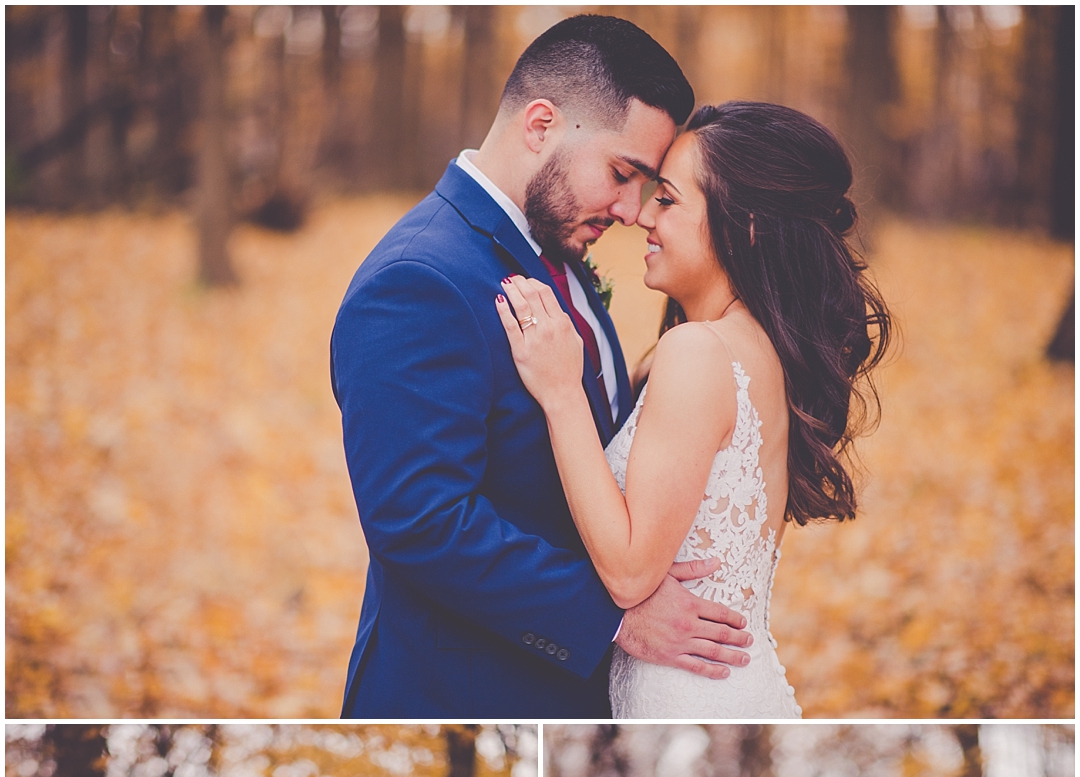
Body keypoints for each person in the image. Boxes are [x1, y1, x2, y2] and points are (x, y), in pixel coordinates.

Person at [334, 14, 759, 720]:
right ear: (540, 125)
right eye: (623, 174)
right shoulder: (417, 281)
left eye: (649, 186)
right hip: (464, 694)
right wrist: (613, 619)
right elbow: (421, 521)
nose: (630, 210)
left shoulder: (552, 245)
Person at [498, 100, 892, 718]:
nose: (642, 217)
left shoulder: (699, 352)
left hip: (689, 693)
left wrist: (561, 392)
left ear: (749, 225)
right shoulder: (760, 347)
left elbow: (630, 575)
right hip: (718, 684)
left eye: (669, 200)